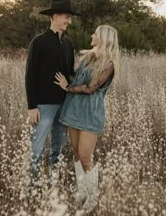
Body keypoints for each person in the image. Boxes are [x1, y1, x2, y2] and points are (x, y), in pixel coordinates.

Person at [54, 25, 120, 213]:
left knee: (85, 155)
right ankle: (82, 192)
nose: (92, 35)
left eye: (96, 34)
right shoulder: (88, 57)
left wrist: (67, 87)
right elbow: (77, 77)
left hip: (91, 113)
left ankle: (93, 197)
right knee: (75, 152)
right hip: (73, 108)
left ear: (104, 39)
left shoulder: (109, 65)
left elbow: (90, 88)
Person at [25, 0, 81, 184]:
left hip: (64, 104)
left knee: (58, 146)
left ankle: (52, 183)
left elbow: (70, 73)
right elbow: (30, 75)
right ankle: (32, 187)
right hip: (43, 106)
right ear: (55, 16)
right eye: (67, 17)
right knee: (37, 147)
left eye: (70, 18)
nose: (69, 21)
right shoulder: (39, 41)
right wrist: (32, 106)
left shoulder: (68, 43)